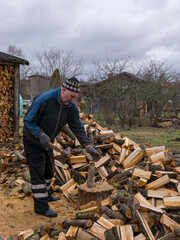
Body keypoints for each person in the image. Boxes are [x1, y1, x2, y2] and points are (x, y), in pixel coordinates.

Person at [23, 77, 100, 217]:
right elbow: (28, 121)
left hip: (47, 141)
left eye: (75, 97)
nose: (72, 100)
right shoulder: (45, 99)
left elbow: (78, 127)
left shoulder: (71, 106)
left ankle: (45, 196)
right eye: (71, 96)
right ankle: (40, 206)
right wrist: (40, 135)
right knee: (38, 171)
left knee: (49, 169)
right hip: (33, 140)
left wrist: (88, 145)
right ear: (63, 90)